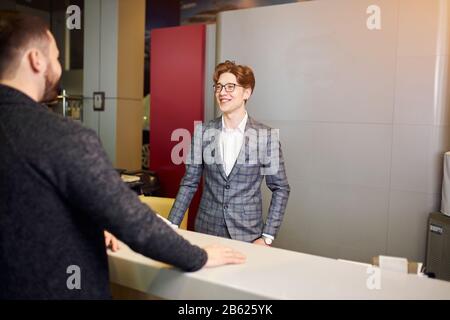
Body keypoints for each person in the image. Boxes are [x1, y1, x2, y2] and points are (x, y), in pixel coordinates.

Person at [0, 12, 245, 300]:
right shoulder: (64, 136)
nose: (59, 67)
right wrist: (198, 256)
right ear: (35, 60)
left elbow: (25, 205)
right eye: (55, 57)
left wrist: (84, 224)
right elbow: (134, 224)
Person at [168, 60, 290, 246]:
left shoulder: (266, 136)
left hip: (248, 235)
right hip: (206, 231)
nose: (222, 92)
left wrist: (267, 237)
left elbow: (280, 188)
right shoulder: (202, 132)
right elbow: (189, 183)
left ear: (247, 92)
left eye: (230, 86)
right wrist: (172, 225)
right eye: (218, 87)